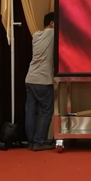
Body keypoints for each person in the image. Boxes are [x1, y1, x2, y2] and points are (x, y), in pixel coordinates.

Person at [25, 12, 55, 151]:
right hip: (43, 80)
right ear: (52, 23)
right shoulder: (53, 33)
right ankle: (39, 142)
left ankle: (31, 141)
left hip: (30, 78)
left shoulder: (36, 35)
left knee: (31, 111)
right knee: (46, 111)